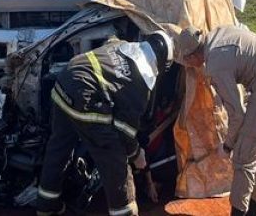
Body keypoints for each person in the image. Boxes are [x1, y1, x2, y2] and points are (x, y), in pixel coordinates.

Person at [36, 32, 174, 216]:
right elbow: (124, 134)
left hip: (63, 84)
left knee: (58, 148)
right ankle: (125, 212)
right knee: (115, 160)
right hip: (84, 99)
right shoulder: (140, 87)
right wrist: (136, 155)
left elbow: (109, 38)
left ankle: (47, 207)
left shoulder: (121, 45)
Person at [175, 25, 256, 216]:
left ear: (192, 56)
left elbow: (237, 114)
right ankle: (254, 212)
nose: (190, 65)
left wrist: (228, 146)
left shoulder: (215, 63)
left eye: (188, 61)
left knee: (244, 159)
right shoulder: (218, 35)